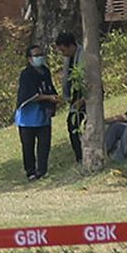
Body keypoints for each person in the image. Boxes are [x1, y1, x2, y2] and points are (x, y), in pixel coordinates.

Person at [14, 44, 61, 181]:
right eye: (36, 55)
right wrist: (48, 97)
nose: (39, 58)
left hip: (42, 116)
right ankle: (31, 172)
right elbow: (30, 95)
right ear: (29, 59)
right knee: (28, 146)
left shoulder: (45, 71)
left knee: (44, 144)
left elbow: (49, 88)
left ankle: (42, 170)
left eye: (41, 55)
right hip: (27, 118)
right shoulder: (26, 74)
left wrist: (54, 98)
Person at [55, 32, 85, 163]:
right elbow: (67, 79)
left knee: (84, 123)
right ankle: (80, 156)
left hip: (87, 93)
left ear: (71, 46)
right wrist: (65, 97)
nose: (63, 53)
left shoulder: (84, 56)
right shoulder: (68, 59)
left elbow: (91, 82)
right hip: (76, 94)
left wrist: (83, 100)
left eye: (63, 50)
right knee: (72, 123)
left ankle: (86, 154)